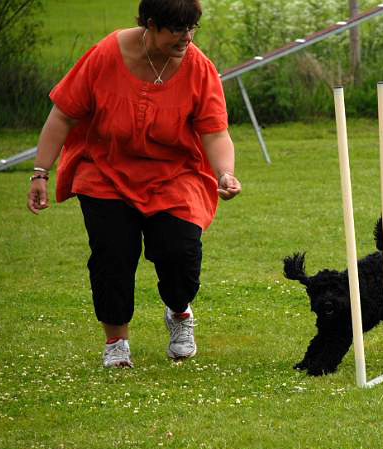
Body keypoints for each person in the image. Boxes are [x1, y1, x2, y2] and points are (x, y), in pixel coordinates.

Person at [26, 0, 240, 369]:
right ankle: (116, 342)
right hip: (106, 172)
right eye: (177, 30)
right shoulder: (107, 54)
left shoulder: (198, 67)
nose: (186, 38)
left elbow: (215, 131)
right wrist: (40, 172)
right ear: (151, 25)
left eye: (192, 29)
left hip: (174, 175)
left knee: (179, 252)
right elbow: (62, 114)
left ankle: (179, 313)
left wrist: (224, 171)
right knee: (112, 256)